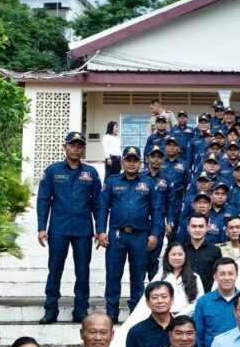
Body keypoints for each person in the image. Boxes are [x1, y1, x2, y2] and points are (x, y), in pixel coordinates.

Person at [36, 131, 100, 325]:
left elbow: (97, 203)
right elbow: (43, 200)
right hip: (59, 229)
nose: (76, 148)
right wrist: (41, 227)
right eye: (72, 145)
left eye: (80, 145)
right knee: (55, 270)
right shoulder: (52, 170)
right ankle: (50, 310)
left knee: (83, 271)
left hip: (82, 229)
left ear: (83, 149)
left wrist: (99, 228)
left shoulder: (91, 173)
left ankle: (80, 309)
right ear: (65, 147)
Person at [96, 146, 163, 323]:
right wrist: (101, 231)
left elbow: (156, 210)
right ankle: (112, 313)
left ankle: (136, 314)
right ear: (123, 161)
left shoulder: (148, 183)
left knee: (138, 276)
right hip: (117, 236)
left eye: (135, 160)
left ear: (141, 162)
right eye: (128, 159)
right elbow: (103, 207)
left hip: (140, 236)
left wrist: (155, 234)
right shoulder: (112, 181)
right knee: (113, 275)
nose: (132, 163)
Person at [182, 212, 222, 292]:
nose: (197, 230)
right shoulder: (181, 250)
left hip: (207, 296)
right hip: (183, 295)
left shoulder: (215, 251)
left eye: (201, 226)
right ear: (188, 228)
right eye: (194, 226)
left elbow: (218, 276)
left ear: (207, 228)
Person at [160, 242, 204, 315]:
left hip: (187, 318)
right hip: (163, 318)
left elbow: (200, 301)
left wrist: (179, 316)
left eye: (180, 254)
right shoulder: (160, 276)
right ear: (167, 256)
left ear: (185, 256)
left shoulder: (194, 277)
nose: (177, 257)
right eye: (173, 254)